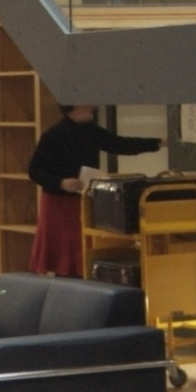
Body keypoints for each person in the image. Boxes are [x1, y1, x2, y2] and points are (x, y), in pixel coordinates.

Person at [28, 104, 163, 277]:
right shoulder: (53, 135)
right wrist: (61, 182)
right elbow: (35, 170)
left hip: (85, 198)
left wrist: (157, 144)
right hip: (60, 203)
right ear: (76, 106)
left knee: (85, 249)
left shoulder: (90, 131)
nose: (93, 106)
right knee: (65, 255)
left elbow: (120, 144)